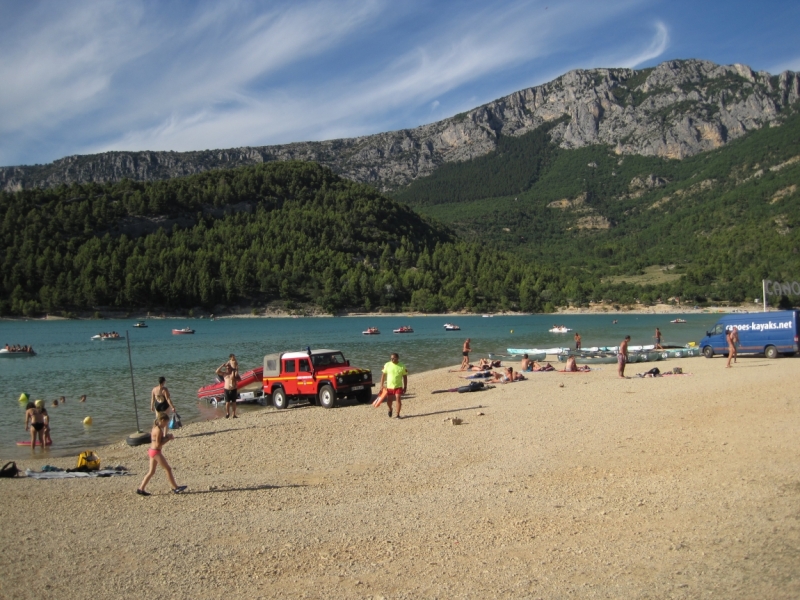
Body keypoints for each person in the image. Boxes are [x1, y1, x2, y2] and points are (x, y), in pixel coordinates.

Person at [136, 412, 187, 496]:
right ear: (162, 420)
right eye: (166, 422)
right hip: (156, 451)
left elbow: (158, 440)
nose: (166, 424)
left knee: (151, 471)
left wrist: (166, 437)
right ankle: (176, 488)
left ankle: (141, 489)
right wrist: (168, 439)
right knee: (168, 469)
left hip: (152, 450)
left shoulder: (155, 427)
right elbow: (158, 444)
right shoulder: (159, 430)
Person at [379, 353, 407, 419]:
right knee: (389, 400)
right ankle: (390, 409)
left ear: (397, 358)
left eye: (393, 358)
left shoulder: (402, 366)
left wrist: (405, 387)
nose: (392, 359)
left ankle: (398, 414)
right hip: (389, 386)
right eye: (391, 358)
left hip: (398, 386)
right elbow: (383, 375)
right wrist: (381, 385)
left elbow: (405, 377)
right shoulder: (387, 365)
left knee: (398, 399)